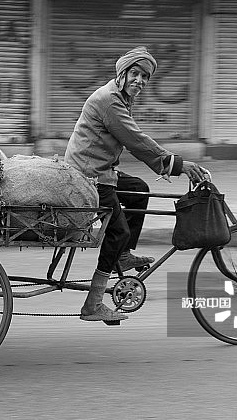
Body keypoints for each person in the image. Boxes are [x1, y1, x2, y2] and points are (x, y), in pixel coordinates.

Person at [65, 46, 211, 323]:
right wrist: (179, 165)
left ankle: (124, 255)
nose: (140, 81)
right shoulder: (109, 101)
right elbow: (136, 141)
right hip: (88, 177)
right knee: (117, 232)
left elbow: (133, 141)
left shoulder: (118, 97)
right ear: (122, 74)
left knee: (139, 191)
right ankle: (93, 304)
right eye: (135, 73)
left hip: (101, 170)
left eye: (145, 77)